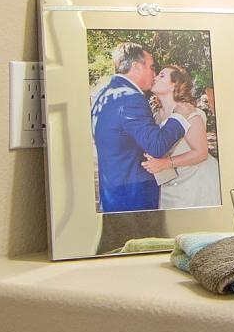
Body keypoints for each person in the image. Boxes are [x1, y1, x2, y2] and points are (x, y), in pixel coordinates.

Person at [89, 42, 188, 214]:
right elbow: (156, 146)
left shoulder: (103, 95)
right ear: (135, 66)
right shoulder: (131, 98)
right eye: (151, 67)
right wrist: (179, 116)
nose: (154, 74)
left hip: (112, 196)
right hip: (133, 200)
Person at [143, 64, 220, 211]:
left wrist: (166, 163)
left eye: (162, 76)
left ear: (174, 85)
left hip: (198, 183)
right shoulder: (155, 116)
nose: (155, 77)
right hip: (171, 185)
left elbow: (201, 153)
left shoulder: (190, 113)